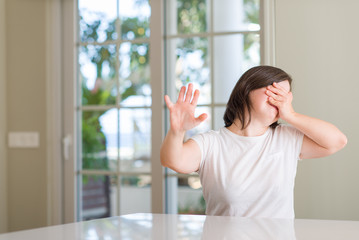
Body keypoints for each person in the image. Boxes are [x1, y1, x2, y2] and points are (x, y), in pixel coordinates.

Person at [160, 65, 347, 219]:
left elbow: (337, 141)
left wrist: (291, 115)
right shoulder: (211, 143)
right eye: (274, 90)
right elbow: (173, 161)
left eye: (286, 95)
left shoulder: (287, 138)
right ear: (247, 89)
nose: (280, 99)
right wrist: (178, 131)